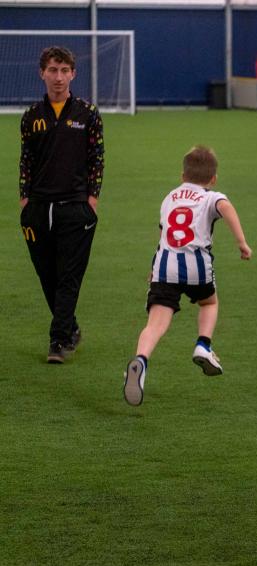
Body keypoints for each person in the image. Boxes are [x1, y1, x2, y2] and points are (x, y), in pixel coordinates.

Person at [122, 146, 252, 406]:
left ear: (183, 176)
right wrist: (241, 242)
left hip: (165, 266)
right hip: (197, 266)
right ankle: (203, 344)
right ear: (213, 178)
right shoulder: (211, 196)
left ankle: (141, 360)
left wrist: (153, 268)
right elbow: (225, 207)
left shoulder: (170, 197)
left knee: (155, 323)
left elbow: (163, 234)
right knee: (209, 302)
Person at [19, 46, 104, 364]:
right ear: (42, 73)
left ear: (73, 74)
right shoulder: (31, 116)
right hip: (38, 209)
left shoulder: (88, 113)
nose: (59, 77)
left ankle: (58, 340)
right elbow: (26, 161)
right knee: (47, 276)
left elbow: (97, 158)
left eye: (64, 70)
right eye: (53, 70)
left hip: (75, 208)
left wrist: (92, 199)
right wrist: (25, 199)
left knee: (69, 276)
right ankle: (70, 327)